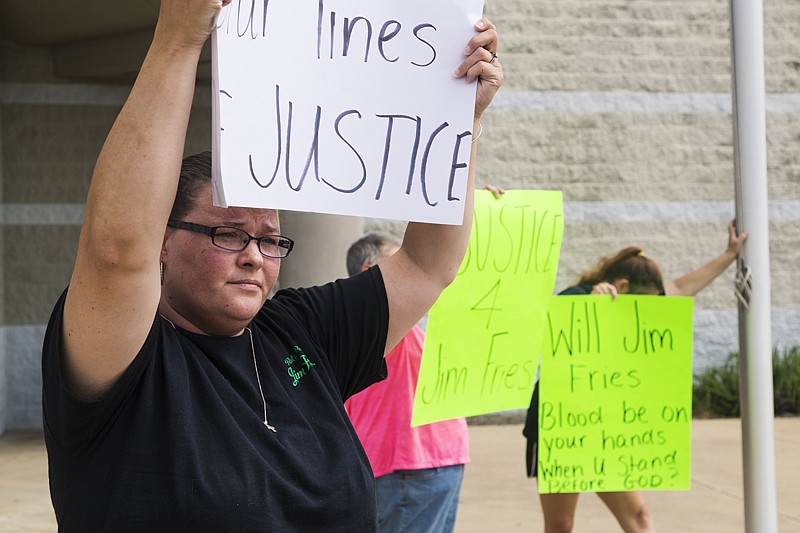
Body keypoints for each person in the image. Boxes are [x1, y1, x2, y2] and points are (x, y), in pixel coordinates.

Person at [40, 0, 503, 529]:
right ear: (163, 243)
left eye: (270, 239)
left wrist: (460, 118)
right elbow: (116, 253)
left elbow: (427, 266)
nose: (253, 256)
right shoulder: (127, 356)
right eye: (228, 233)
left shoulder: (304, 332)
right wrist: (177, 39)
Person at [523, 220, 747, 533]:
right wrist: (592, 306)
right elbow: (552, 327)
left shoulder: (640, 304)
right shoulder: (575, 296)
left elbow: (682, 288)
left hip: (605, 426)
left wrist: (730, 254)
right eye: (647, 302)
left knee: (639, 517)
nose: (651, 310)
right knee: (560, 526)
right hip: (560, 426)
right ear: (624, 287)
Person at [343, 232, 470, 533]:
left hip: (431, 462)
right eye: (398, 261)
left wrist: (490, 218)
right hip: (409, 467)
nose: (413, 269)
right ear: (370, 273)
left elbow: (455, 273)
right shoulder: (379, 320)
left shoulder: (373, 326)